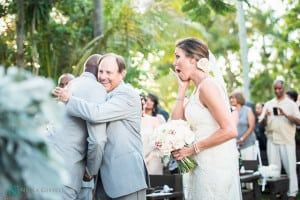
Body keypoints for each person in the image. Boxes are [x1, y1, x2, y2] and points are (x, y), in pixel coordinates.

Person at [53, 53, 148, 200]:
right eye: (100, 71)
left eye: (109, 72)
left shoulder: (127, 94)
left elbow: (96, 114)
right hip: (103, 181)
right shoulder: (103, 94)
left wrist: (69, 99)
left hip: (125, 180)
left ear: (122, 74)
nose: (103, 76)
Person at [170, 37, 241, 199]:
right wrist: (182, 89)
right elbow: (176, 124)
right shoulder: (196, 89)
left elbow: (230, 130)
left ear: (193, 60)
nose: (175, 63)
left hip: (214, 166)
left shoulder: (208, 86)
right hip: (200, 163)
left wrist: (192, 149)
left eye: (177, 56)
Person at [50, 54, 107, 200]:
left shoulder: (71, 85)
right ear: (99, 70)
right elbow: (97, 140)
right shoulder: (96, 88)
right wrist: (90, 170)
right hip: (65, 174)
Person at [260, 80, 300, 200]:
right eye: (275, 89)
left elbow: (298, 121)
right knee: (274, 168)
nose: (277, 91)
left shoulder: (291, 104)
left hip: (286, 139)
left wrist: (285, 114)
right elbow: (262, 123)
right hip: (272, 140)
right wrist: (266, 117)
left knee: (290, 168)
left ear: (283, 88)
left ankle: (292, 193)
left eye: (280, 88)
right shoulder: (268, 104)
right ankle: (277, 192)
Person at [229, 91, 257, 160]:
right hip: (234, 145)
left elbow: (252, 127)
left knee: (250, 167)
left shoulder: (248, 110)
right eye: (230, 98)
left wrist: (242, 139)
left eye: (233, 98)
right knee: (237, 168)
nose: (231, 100)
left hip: (248, 144)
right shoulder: (230, 112)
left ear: (239, 98)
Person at [140, 94, 164, 175]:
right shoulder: (133, 121)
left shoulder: (156, 119)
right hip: (137, 159)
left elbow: (159, 141)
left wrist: (147, 159)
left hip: (152, 158)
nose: (144, 105)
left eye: (151, 100)